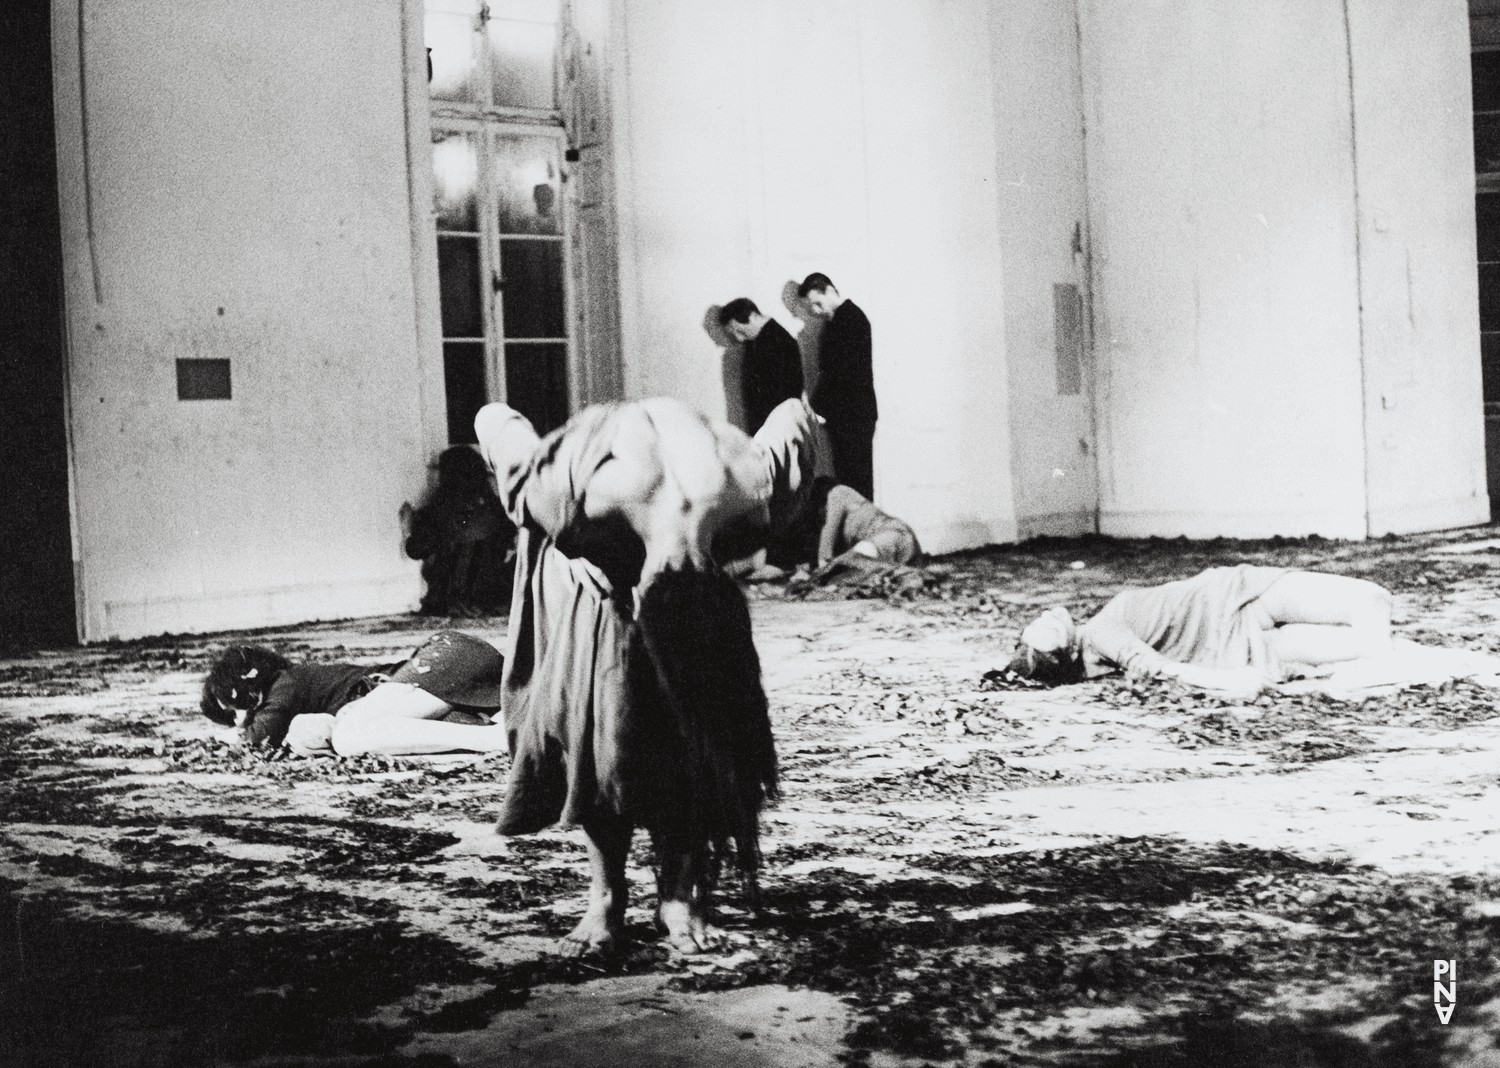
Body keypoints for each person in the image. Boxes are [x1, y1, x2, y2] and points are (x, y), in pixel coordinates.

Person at [475, 395, 817, 958]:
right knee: (609, 736)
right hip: (595, 554)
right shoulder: (568, 496)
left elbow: (792, 418)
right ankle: (606, 898)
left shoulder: (751, 490)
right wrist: (573, 550)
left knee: (695, 739)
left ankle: (678, 896)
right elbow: (493, 419)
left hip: (693, 513)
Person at [1006, 565, 1394, 697]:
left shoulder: (1095, 665)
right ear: (1067, 652)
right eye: (1051, 626)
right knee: (1374, 602)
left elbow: (1153, 668)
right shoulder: (1101, 632)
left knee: (1365, 644)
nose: (1049, 614)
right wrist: (1231, 683)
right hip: (1241, 599)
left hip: (1241, 644)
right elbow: (1160, 668)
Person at [199, 630, 509, 757]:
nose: (236, 719)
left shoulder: (286, 684)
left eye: (231, 709)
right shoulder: (296, 682)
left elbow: (258, 738)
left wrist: (229, 736)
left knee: (348, 736)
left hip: (441, 661)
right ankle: (497, 727)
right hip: (450, 660)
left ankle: (495, 740)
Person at [401, 446, 515, 616]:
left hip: (448, 597)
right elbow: (509, 541)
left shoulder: (437, 511)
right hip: (492, 594)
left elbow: (416, 550)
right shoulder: (496, 508)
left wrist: (407, 527)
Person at [799, 273, 877, 500]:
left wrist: (816, 405)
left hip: (853, 417)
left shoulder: (849, 320)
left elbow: (840, 373)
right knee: (851, 483)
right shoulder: (841, 320)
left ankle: (862, 533)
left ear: (830, 291)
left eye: (817, 303)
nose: (814, 310)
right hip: (850, 416)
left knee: (856, 485)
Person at [718, 298, 804, 434]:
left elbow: (783, 399)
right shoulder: (756, 342)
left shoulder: (780, 342)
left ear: (753, 316)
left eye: (740, 331)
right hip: (766, 433)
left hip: (778, 434)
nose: (739, 338)